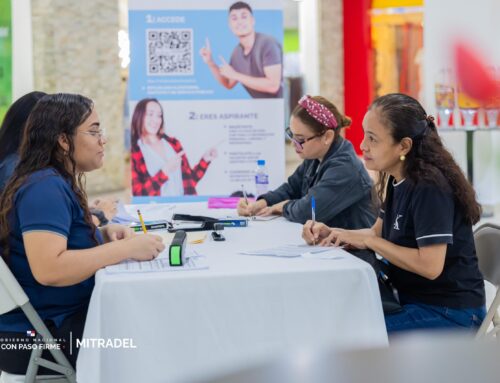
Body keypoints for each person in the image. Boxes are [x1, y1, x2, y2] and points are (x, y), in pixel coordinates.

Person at [0, 93, 165, 374]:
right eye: (94, 130)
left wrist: (101, 235)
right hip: (38, 340)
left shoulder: (50, 181)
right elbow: (49, 268)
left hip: (54, 326)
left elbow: (57, 246)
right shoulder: (43, 187)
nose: (103, 140)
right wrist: (123, 250)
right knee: (154, 335)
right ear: (63, 141)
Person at [302, 93, 486, 333]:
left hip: (451, 313)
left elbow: (430, 266)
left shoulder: (429, 188)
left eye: (372, 139)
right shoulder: (397, 179)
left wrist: (372, 242)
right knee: (335, 318)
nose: (362, 146)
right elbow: (375, 232)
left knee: (347, 334)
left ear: (404, 145)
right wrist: (333, 232)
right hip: (414, 300)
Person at [238, 95, 376, 229]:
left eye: (300, 139)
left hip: (351, 251)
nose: (294, 144)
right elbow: (291, 188)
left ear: (327, 136)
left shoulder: (345, 167)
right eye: (291, 135)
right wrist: (262, 202)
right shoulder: (315, 156)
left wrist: (284, 206)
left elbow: (308, 211)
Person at [0, 91, 118, 226]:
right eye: (93, 132)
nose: (103, 140)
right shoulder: (35, 179)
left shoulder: (49, 176)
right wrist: (99, 216)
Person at [131, 98, 217, 196]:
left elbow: (189, 182)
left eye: (159, 115)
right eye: (150, 114)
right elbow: (139, 194)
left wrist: (205, 160)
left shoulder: (173, 144)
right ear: (139, 116)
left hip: (183, 207)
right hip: (157, 210)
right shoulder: (133, 152)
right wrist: (164, 172)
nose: (156, 120)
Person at [199, 1, 283, 98]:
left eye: (244, 16)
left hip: (276, 108)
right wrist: (210, 63)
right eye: (234, 18)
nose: (239, 22)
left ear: (252, 20)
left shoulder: (268, 43)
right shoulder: (237, 53)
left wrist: (236, 75)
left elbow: (273, 86)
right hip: (258, 109)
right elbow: (228, 83)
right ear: (230, 25)